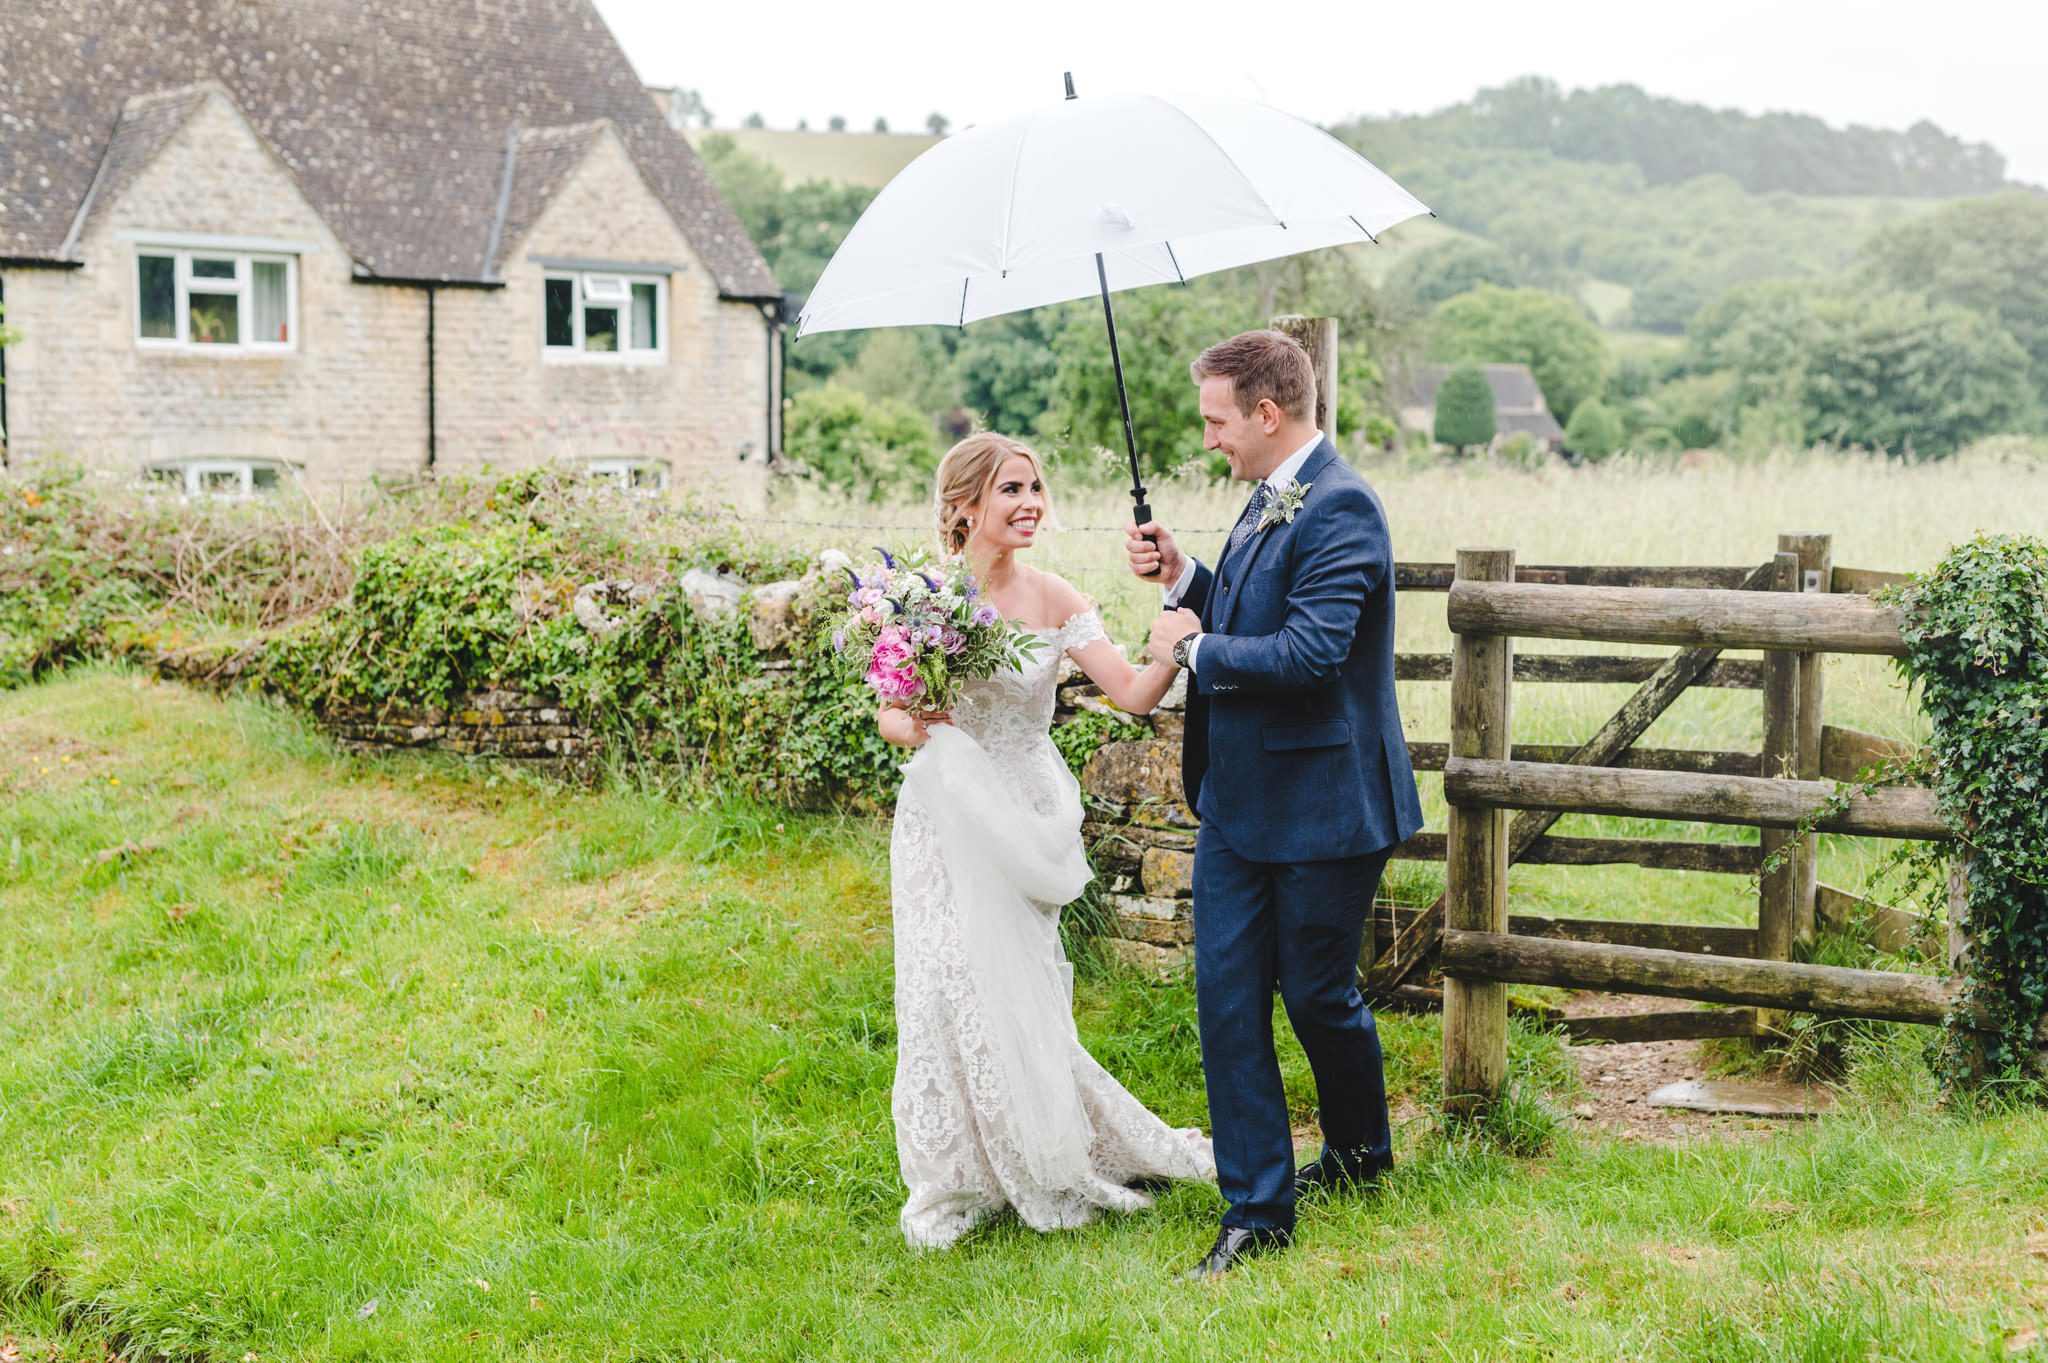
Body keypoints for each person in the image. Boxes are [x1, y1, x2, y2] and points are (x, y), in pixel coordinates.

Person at [1125, 329, 1423, 1280]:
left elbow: (1307, 654)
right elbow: (1250, 606)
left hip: (1328, 800)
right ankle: (1257, 1207)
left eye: (1218, 420)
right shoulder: (1264, 497)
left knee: (1319, 994)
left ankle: (1361, 1153)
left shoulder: (1342, 508)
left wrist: (1190, 648)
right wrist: (1184, 579)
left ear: (1266, 412)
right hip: (1240, 800)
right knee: (1225, 1000)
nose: (1209, 438)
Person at [879, 432, 1215, 1250]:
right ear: (964, 508)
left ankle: (1041, 1148)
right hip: (943, 815)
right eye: (1010, 490)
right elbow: (890, 711)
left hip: (1023, 816)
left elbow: (1133, 694)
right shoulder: (922, 601)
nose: (1031, 503)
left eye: (1035, 487)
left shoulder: (1056, 598)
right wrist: (918, 729)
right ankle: (958, 1174)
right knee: (941, 981)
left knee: (1014, 985)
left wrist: (1170, 650)